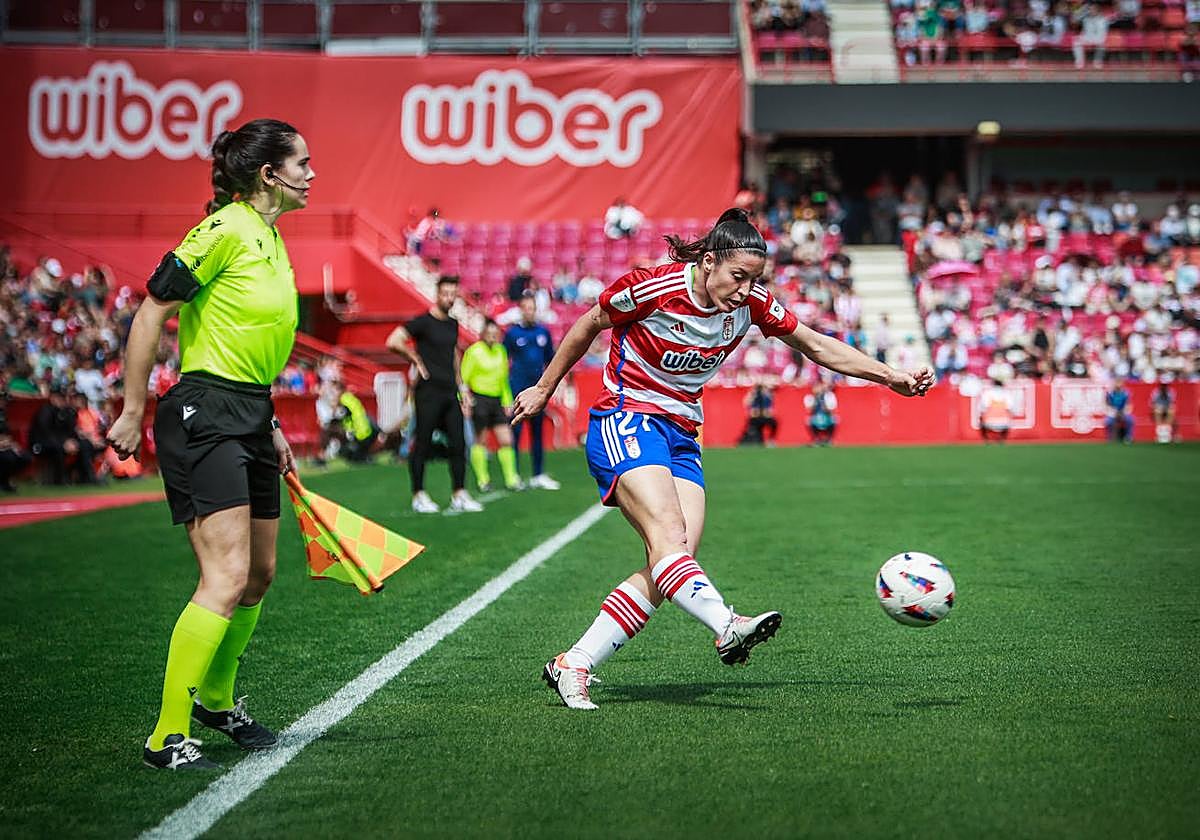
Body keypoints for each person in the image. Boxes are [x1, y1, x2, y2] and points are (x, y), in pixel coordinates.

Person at [511, 209, 934, 710]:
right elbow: (589, 323)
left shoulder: (751, 303)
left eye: (755, 279)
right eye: (738, 276)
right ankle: (727, 625)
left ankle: (574, 663)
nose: (745, 289)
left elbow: (816, 345)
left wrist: (891, 376)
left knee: (671, 560)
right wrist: (544, 386)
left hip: (683, 433)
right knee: (670, 541)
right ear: (709, 261)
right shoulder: (654, 290)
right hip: (626, 417)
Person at [106, 118, 311, 770]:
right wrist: (132, 408)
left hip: (250, 412)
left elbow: (250, 343)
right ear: (268, 174)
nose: (312, 173)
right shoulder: (223, 228)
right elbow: (151, 311)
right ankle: (166, 734)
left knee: (258, 575)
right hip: (204, 411)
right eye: (302, 163)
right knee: (223, 575)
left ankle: (216, 701)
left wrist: (271, 422)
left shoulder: (271, 237)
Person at [385, 276, 481, 514]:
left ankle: (459, 493)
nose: (449, 298)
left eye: (452, 294)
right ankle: (419, 495)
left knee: (459, 442)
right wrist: (414, 358)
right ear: (437, 294)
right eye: (445, 293)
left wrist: (462, 388)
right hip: (428, 391)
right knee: (423, 444)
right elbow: (393, 340)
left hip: (450, 392)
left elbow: (453, 357)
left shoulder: (453, 324)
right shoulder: (422, 322)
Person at [503, 294, 560, 490]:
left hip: (537, 391)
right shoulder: (512, 334)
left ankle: (538, 474)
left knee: (538, 432)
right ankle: (514, 474)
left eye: (531, 308)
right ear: (521, 310)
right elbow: (504, 360)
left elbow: (551, 360)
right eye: (525, 307)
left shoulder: (543, 332)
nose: (529, 311)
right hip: (517, 390)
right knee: (515, 432)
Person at [462, 320, 521, 492]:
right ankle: (483, 480)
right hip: (479, 399)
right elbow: (464, 378)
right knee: (481, 440)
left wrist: (507, 400)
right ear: (483, 333)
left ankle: (511, 479)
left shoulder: (501, 351)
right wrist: (463, 399)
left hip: (496, 400)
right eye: (490, 333)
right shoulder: (474, 352)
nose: (493, 336)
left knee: (506, 439)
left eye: (495, 333)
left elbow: (504, 380)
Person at [29, 385, 97, 485]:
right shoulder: (45, 411)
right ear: (52, 398)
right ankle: (59, 479)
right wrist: (64, 442)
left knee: (85, 444)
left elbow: (71, 430)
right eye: (59, 397)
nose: (62, 400)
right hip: (41, 443)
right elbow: (45, 432)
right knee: (58, 448)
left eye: (63, 397)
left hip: (61, 441)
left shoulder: (67, 412)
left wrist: (72, 441)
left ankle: (86, 477)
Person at [0, 392, 31, 492]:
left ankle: (5, 480)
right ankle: (4, 481)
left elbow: (6, 433)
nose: (3, 403)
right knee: (8, 458)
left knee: (25, 457)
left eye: (4, 400)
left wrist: (12, 444)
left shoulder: (3, 414)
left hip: (5, 446)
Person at [740, 380, 778, 446]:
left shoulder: (767, 396)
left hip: (765, 417)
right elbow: (746, 403)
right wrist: (752, 393)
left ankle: (770, 440)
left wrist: (767, 392)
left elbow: (770, 408)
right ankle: (756, 441)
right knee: (756, 430)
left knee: (774, 423)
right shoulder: (753, 395)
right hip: (755, 417)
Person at [804, 380, 838, 445]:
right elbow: (810, 410)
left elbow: (831, 410)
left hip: (827, 417)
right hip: (815, 417)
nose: (817, 389)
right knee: (808, 420)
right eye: (815, 387)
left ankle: (829, 439)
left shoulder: (829, 396)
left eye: (819, 387)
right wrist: (816, 399)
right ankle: (816, 439)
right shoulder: (809, 397)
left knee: (835, 419)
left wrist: (822, 400)